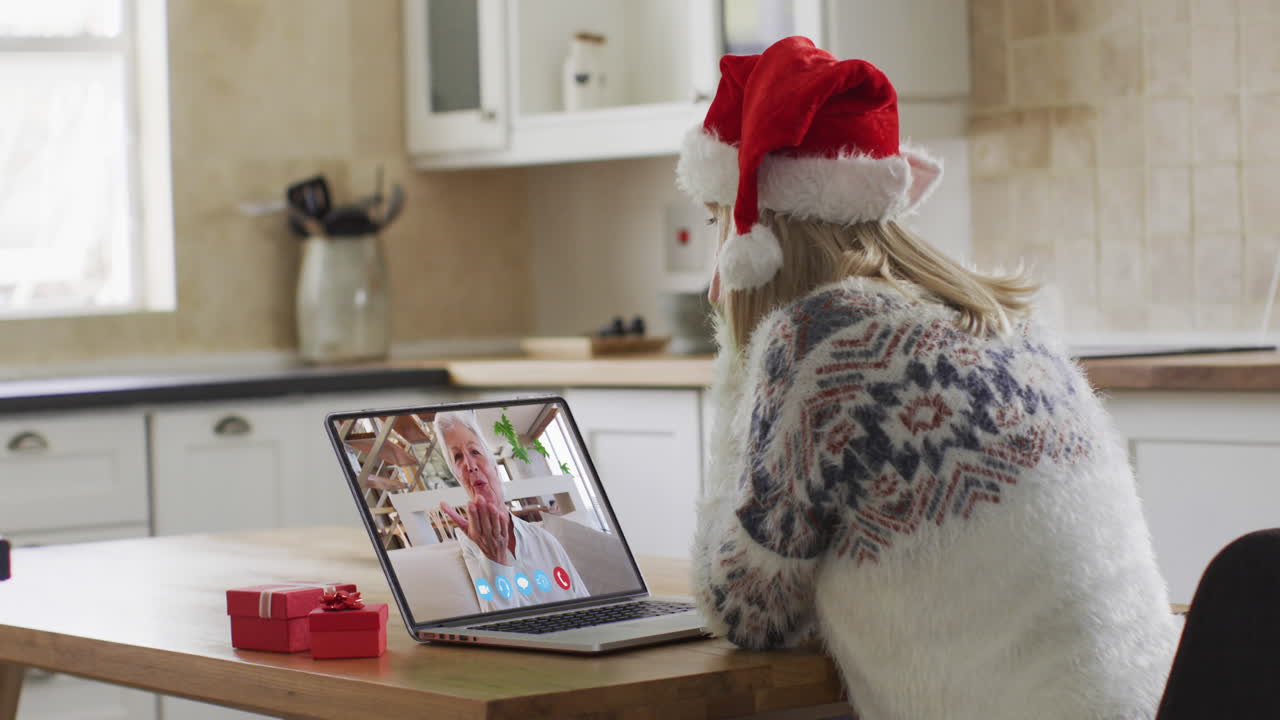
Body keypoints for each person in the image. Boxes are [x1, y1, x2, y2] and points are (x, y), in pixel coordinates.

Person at [679, 37, 1181, 718]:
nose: (714, 282)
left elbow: (745, 612)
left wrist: (736, 373)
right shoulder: (1005, 322)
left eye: (717, 222)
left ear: (755, 240)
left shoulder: (817, 344)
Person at [433, 410, 589, 610]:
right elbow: (501, 628)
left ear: (494, 466)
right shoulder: (470, 550)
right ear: (459, 478)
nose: (470, 465)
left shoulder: (545, 540)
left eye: (474, 452)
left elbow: (586, 604)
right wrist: (494, 558)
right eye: (457, 457)